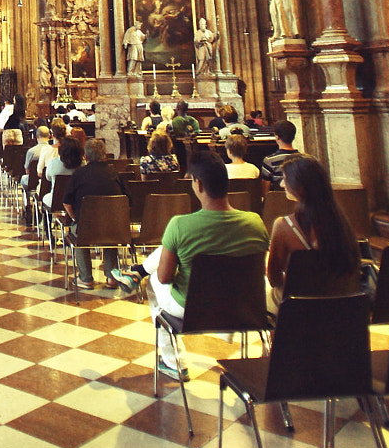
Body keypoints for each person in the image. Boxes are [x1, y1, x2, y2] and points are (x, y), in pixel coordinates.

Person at [109, 153, 267, 379]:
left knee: (154, 282)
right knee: (169, 252)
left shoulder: (180, 225)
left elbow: (164, 278)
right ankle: (138, 270)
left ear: (198, 184)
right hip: (244, 306)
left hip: (195, 309)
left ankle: (174, 362)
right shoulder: (255, 222)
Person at [265, 156, 359, 308]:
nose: (282, 184)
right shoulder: (341, 223)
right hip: (342, 304)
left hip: (299, 307)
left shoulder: (283, 226)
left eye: (285, 179)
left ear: (299, 186)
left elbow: (274, 279)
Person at [63, 139, 125, 290]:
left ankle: (85, 278)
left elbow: (67, 202)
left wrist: (75, 219)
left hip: (86, 226)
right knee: (110, 230)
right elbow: (126, 200)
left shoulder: (79, 174)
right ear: (104, 155)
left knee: (78, 231)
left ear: (86, 156)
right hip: (112, 227)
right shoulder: (114, 173)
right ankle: (111, 277)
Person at [43, 136, 84, 209]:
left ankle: (47, 219)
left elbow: (48, 177)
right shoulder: (82, 164)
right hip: (76, 200)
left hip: (56, 200)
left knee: (45, 198)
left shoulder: (53, 163)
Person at [260, 120, 302, 184]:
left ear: (277, 137)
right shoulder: (303, 159)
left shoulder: (270, 160)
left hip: (277, 194)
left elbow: (266, 192)